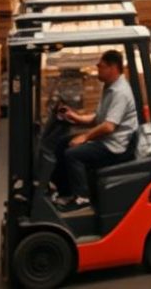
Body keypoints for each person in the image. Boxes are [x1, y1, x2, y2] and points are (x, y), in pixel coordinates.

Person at [52, 49, 140, 211]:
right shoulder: (110, 87)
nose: (97, 70)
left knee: (73, 155)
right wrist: (75, 116)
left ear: (112, 68)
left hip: (114, 147)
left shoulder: (120, 93)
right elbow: (98, 119)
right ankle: (65, 191)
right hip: (108, 140)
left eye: (101, 67)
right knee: (63, 143)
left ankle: (82, 198)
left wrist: (84, 138)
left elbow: (108, 126)